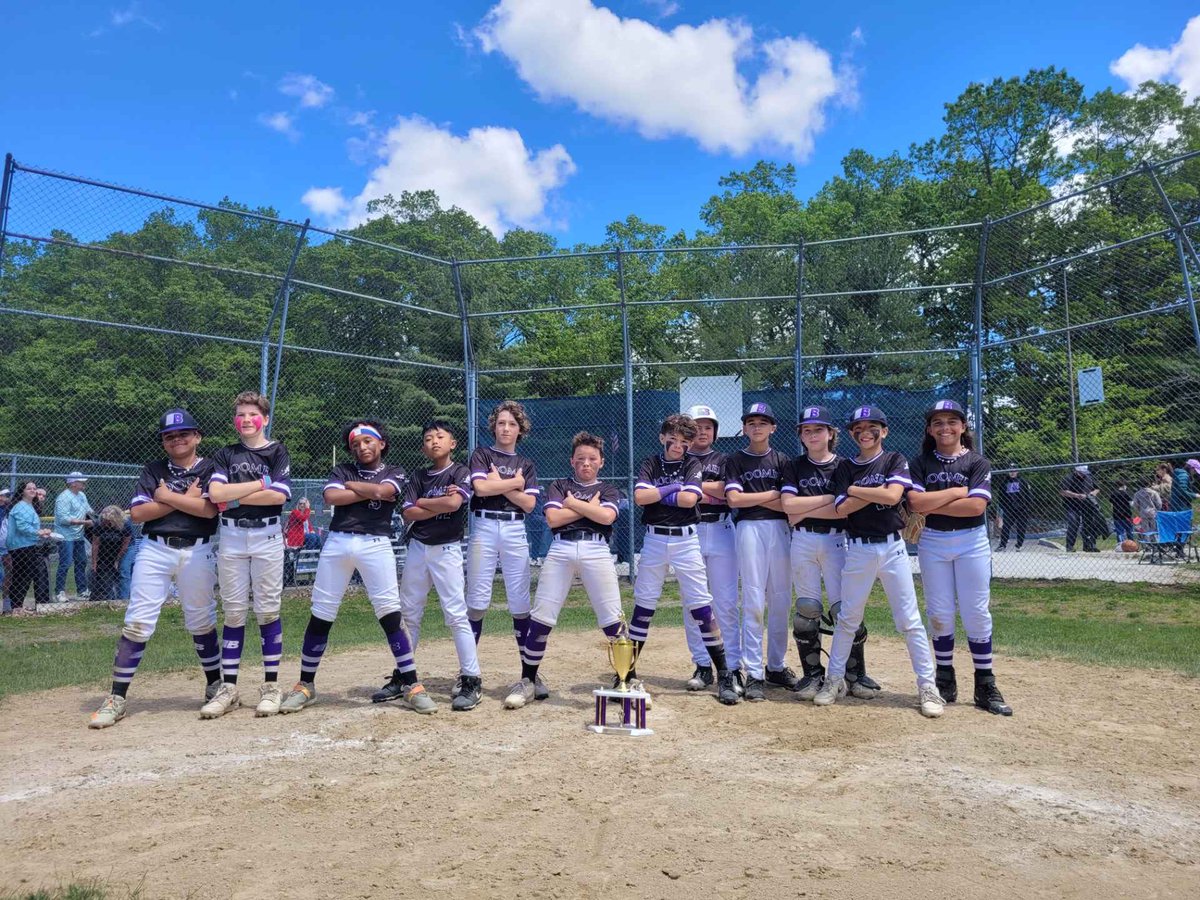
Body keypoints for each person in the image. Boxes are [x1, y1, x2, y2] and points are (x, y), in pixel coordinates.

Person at [280, 420, 437, 715]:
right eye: (355, 444)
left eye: (368, 441)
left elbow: (386, 491)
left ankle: (412, 684)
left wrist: (359, 488)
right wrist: (370, 490)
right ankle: (305, 685)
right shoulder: (343, 471)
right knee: (321, 613)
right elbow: (332, 496)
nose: (362, 447)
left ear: (381, 444)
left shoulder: (395, 471)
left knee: (390, 613)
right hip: (338, 543)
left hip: (375, 544)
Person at [88, 409, 223, 728]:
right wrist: (177, 497)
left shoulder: (211, 468)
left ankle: (215, 685)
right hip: (154, 549)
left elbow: (207, 511)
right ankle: (117, 697)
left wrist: (162, 497)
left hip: (198, 549)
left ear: (197, 437)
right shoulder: (153, 470)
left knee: (201, 617)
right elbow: (137, 514)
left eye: (183, 434)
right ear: (163, 442)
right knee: (137, 620)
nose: (177, 439)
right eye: (169, 436)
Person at [813, 405, 944, 718]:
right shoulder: (846, 466)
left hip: (892, 549)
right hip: (857, 549)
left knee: (909, 621)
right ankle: (834, 680)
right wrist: (878, 489)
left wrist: (860, 491)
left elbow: (892, 496)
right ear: (851, 434)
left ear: (884, 431)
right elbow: (842, 508)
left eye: (872, 427)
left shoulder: (894, 459)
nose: (865, 432)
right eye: (858, 428)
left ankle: (928, 686)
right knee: (848, 618)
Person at [503, 432, 626, 710]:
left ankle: (625, 679)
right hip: (561, 549)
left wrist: (572, 504)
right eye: (580, 458)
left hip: (596, 550)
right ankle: (528, 681)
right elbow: (553, 518)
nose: (586, 463)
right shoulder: (559, 485)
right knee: (542, 616)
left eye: (592, 459)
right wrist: (586, 507)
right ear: (572, 461)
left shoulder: (608, 489)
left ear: (601, 462)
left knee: (612, 616)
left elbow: (606, 517)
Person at [906, 400, 1012, 716]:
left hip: (971, 541)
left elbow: (976, 507)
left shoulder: (977, 462)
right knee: (939, 611)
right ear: (929, 429)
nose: (945, 428)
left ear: (963, 427)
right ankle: (944, 677)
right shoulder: (921, 463)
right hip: (933, 540)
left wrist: (932, 502)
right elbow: (915, 503)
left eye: (952, 421)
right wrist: (956, 492)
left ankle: (984, 682)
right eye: (937, 422)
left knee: (976, 610)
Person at [631, 413, 738, 705]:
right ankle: (626, 674)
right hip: (654, 539)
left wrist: (657, 493)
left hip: (686, 539)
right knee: (644, 603)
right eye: (673, 438)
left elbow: (691, 500)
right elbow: (640, 497)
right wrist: (672, 488)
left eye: (684, 440)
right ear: (663, 437)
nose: (678, 445)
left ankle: (724, 674)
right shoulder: (651, 462)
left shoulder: (692, 463)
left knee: (701, 604)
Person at [202, 391, 293, 719]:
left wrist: (236, 496)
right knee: (235, 612)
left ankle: (271, 686)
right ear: (234, 420)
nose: (246, 419)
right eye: (240, 414)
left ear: (264, 419)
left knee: (268, 611)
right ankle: (228, 688)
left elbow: (279, 497)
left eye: (253, 414)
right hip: (231, 537)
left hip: (267, 536)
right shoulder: (225, 454)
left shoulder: (277, 450)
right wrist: (261, 483)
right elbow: (216, 495)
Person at [782, 405, 880, 701]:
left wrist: (805, 507)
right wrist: (829, 502)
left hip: (838, 541)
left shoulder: (844, 466)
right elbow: (788, 506)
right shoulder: (793, 466)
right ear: (801, 435)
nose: (812, 434)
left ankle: (854, 673)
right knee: (807, 609)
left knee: (844, 610)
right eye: (807, 430)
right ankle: (812, 675)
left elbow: (843, 511)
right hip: (802, 540)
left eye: (819, 429)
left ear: (831, 434)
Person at [396, 421, 482, 711]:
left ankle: (471, 678)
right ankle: (404, 675)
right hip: (418, 548)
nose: (434, 442)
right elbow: (408, 512)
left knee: (456, 613)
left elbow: (455, 505)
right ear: (423, 447)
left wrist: (427, 502)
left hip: (446, 549)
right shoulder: (419, 475)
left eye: (440, 437)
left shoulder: (460, 472)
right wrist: (436, 500)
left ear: (452, 443)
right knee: (409, 614)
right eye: (429, 438)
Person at [464, 401, 541, 698]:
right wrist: (515, 483)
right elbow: (481, 489)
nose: (506, 428)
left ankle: (528, 676)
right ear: (494, 427)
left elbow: (529, 504)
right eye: (501, 423)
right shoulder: (482, 454)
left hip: (513, 528)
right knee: (478, 600)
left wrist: (504, 482)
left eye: (512, 424)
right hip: (484, 526)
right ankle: (468, 674)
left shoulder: (526, 465)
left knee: (520, 602)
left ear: (520, 429)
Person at [723, 402, 795, 702]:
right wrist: (771, 495)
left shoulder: (783, 460)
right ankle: (753, 672)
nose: (757, 427)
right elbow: (734, 501)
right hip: (749, 528)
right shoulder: (735, 460)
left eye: (763, 422)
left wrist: (753, 498)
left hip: (779, 528)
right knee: (752, 599)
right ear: (744, 428)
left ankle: (776, 666)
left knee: (780, 599)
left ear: (773, 427)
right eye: (751, 422)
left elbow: (787, 505)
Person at [683, 405, 741, 695]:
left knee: (726, 602)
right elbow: (673, 493)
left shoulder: (725, 459)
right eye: (696, 426)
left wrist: (692, 488)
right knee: (693, 603)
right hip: (688, 532)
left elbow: (729, 494)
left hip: (721, 530)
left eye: (708, 426)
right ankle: (703, 665)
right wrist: (710, 489)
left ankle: (731, 666)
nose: (703, 431)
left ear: (715, 431)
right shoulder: (677, 458)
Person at [5, 481, 53, 613]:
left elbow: (30, 528)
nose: (32, 490)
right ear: (22, 492)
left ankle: (17, 606)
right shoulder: (21, 506)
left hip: (28, 544)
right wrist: (39, 532)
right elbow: (23, 527)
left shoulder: (29, 505)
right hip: (20, 546)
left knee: (25, 575)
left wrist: (41, 534)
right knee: (22, 576)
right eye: (29, 489)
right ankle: (16, 607)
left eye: (34, 488)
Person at [53, 472, 94, 602]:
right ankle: (59, 591)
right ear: (73, 483)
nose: (84, 483)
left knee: (82, 561)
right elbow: (63, 519)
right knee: (65, 563)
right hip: (65, 536)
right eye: (81, 481)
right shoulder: (64, 497)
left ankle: (82, 591)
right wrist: (85, 522)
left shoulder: (82, 495)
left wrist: (100, 516)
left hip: (78, 535)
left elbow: (89, 510)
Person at [89, 506, 132, 602]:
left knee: (123, 570)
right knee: (104, 571)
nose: (105, 523)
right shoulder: (99, 524)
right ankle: (109, 598)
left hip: (127, 547)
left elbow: (125, 545)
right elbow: (95, 544)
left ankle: (123, 600)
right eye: (104, 520)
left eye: (108, 521)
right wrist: (94, 563)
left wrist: (117, 560)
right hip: (107, 546)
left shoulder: (125, 524)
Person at [1060, 465, 1099, 552]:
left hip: (1087, 505)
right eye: (1082, 473)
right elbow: (1063, 492)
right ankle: (1070, 546)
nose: (1084, 475)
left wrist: (1091, 494)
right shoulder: (1068, 478)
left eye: (1085, 473)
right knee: (1074, 523)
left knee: (1089, 524)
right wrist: (1076, 495)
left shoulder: (1089, 477)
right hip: (1071, 506)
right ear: (1076, 471)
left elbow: (1097, 489)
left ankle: (1089, 545)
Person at [995, 466, 1028, 551]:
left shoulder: (1023, 481)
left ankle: (1019, 545)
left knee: (1021, 527)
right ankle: (1003, 545)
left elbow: (1028, 495)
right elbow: (1000, 497)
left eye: (1014, 470)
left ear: (1017, 471)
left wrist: (1027, 506)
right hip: (1009, 509)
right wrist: (1004, 507)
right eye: (1010, 471)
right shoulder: (1004, 483)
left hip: (1022, 509)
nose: (1012, 472)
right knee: (1006, 527)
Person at [283, 497, 313, 587]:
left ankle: (312, 555)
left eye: (304, 503)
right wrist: (308, 509)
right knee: (313, 538)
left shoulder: (306, 516)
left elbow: (309, 527)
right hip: (294, 540)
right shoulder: (295, 512)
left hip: (302, 539)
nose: (302, 505)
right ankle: (289, 579)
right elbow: (302, 518)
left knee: (315, 537)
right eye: (301, 503)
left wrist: (312, 531)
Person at [1109, 479, 1134, 546]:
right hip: (1127, 514)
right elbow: (1132, 504)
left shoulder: (1113, 494)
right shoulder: (1126, 493)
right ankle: (1131, 544)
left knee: (1119, 531)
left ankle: (1120, 544)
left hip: (1116, 514)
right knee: (1129, 530)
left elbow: (1111, 504)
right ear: (1124, 486)